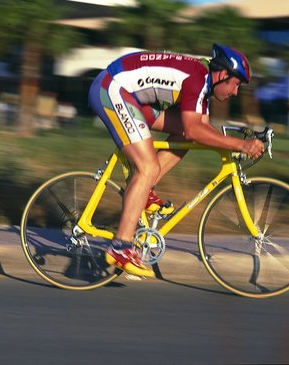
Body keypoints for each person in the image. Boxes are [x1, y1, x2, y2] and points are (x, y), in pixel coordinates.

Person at [88, 43, 265, 277]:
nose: (235, 92)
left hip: (130, 96)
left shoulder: (202, 83)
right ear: (223, 75)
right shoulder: (197, 78)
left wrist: (238, 139)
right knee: (148, 166)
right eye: (236, 84)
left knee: (184, 137)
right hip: (111, 89)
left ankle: (144, 187)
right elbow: (196, 129)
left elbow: (201, 128)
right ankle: (121, 246)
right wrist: (241, 145)